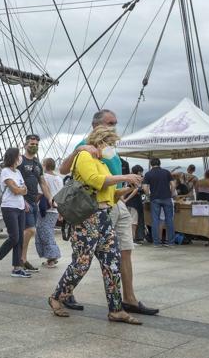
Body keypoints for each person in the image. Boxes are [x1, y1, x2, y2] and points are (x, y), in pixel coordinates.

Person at [58, 109, 159, 316]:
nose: (114, 126)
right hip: (95, 207)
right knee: (83, 258)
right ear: (96, 126)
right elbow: (66, 170)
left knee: (122, 252)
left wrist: (125, 188)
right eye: (110, 123)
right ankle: (63, 293)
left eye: (115, 122)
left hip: (114, 200)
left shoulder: (109, 146)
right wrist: (79, 150)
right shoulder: (87, 146)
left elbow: (109, 177)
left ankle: (127, 300)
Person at [48, 126, 142, 325]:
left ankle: (116, 309)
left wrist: (127, 188)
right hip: (87, 218)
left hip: (104, 217)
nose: (112, 148)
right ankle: (57, 296)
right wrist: (125, 177)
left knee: (112, 262)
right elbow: (95, 180)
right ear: (100, 142)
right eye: (110, 144)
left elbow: (109, 194)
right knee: (82, 263)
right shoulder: (85, 158)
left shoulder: (102, 163)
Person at [0, 148, 31, 277]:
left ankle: (17, 267)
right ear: (13, 157)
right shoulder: (6, 172)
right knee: (14, 237)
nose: (20, 158)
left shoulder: (17, 172)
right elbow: (15, 190)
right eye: (18, 156)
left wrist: (21, 190)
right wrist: (20, 189)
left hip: (20, 207)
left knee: (20, 238)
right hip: (9, 207)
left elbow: (25, 189)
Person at [17, 134, 53, 273]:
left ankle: (22, 259)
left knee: (25, 231)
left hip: (33, 201)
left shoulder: (38, 164)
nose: (34, 146)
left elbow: (42, 182)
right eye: (32, 144)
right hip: (22, 201)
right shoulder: (20, 161)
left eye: (36, 144)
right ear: (25, 145)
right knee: (30, 230)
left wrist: (50, 198)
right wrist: (21, 199)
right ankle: (21, 259)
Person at [35, 158, 62, 268]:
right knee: (47, 231)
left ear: (44, 165)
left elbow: (40, 193)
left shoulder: (44, 177)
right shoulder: (59, 178)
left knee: (44, 232)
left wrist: (33, 202)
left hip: (45, 208)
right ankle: (51, 256)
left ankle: (52, 257)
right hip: (55, 209)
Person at [143, 158, 176, 247]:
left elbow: (145, 187)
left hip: (155, 199)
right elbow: (173, 184)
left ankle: (156, 243)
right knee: (169, 220)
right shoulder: (166, 172)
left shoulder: (148, 174)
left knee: (155, 220)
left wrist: (148, 195)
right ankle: (171, 242)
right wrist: (172, 193)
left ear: (151, 164)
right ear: (160, 163)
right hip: (167, 198)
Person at [123, 165, 147, 242]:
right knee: (134, 222)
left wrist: (124, 199)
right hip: (135, 203)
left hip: (128, 203)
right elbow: (135, 190)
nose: (142, 174)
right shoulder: (138, 179)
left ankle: (130, 238)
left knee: (129, 221)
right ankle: (133, 239)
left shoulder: (128, 178)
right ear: (139, 172)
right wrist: (126, 199)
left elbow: (124, 189)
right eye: (141, 172)